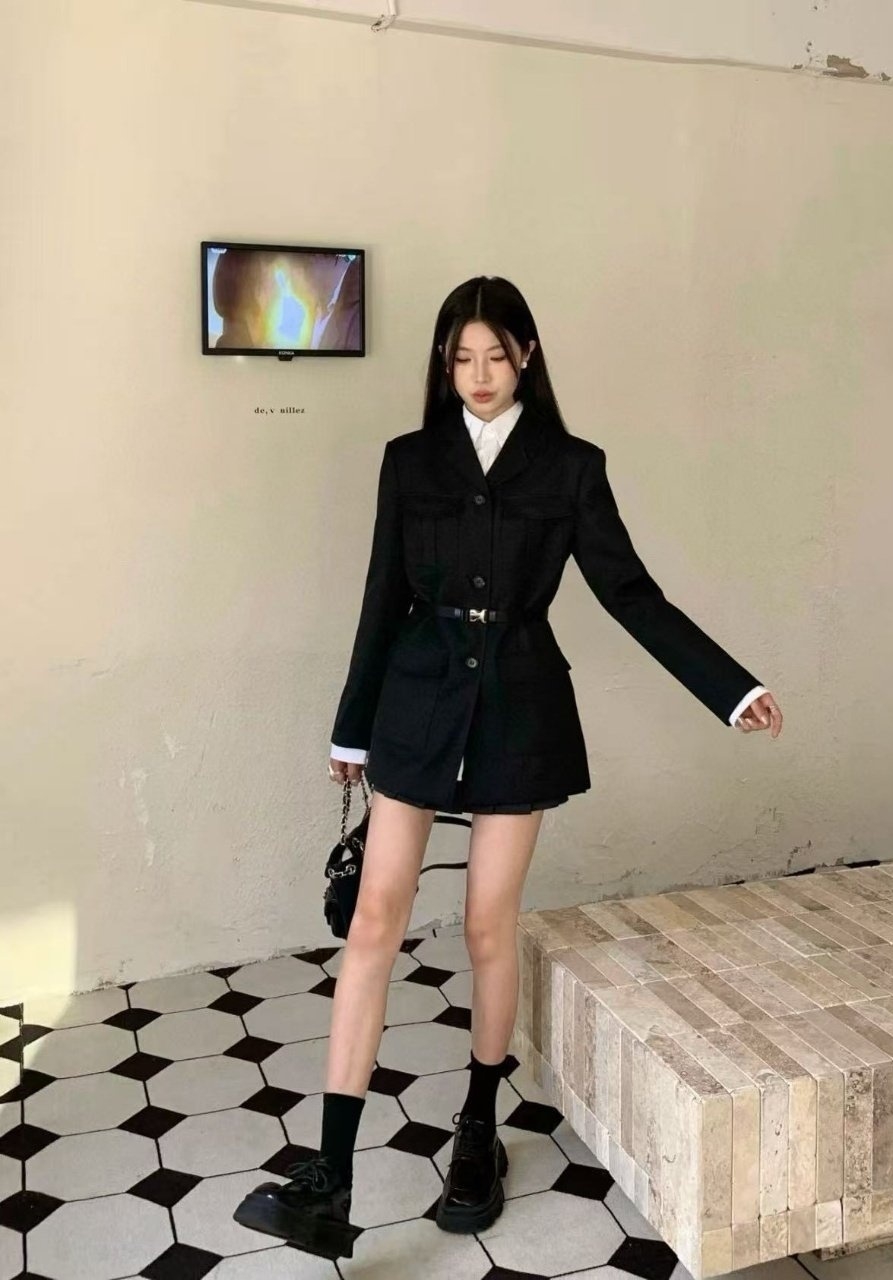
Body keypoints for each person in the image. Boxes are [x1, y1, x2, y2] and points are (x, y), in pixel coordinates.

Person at [233, 276, 783, 1259]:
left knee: (489, 923)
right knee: (374, 919)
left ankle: (478, 1129)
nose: (478, 375)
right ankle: (331, 1175)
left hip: (520, 708)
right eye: (461, 358)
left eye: (495, 355)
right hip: (415, 699)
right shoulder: (410, 460)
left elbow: (630, 592)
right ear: (443, 366)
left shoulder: (571, 466)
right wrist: (351, 730)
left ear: (527, 354)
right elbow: (381, 595)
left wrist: (729, 687)